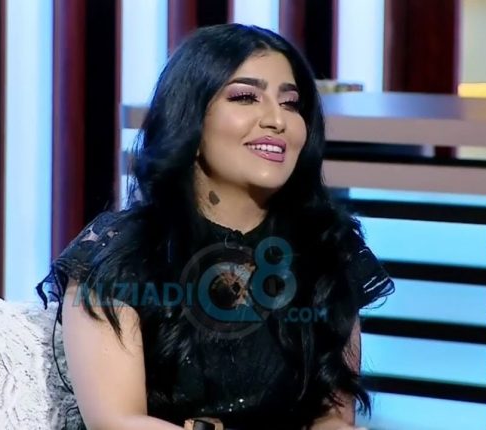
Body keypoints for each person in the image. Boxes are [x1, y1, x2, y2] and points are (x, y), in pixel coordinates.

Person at [37, 23, 393, 430]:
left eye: (291, 103)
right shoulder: (118, 253)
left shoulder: (328, 249)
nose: (277, 120)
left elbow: (333, 418)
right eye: (245, 97)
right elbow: (116, 421)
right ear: (190, 117)